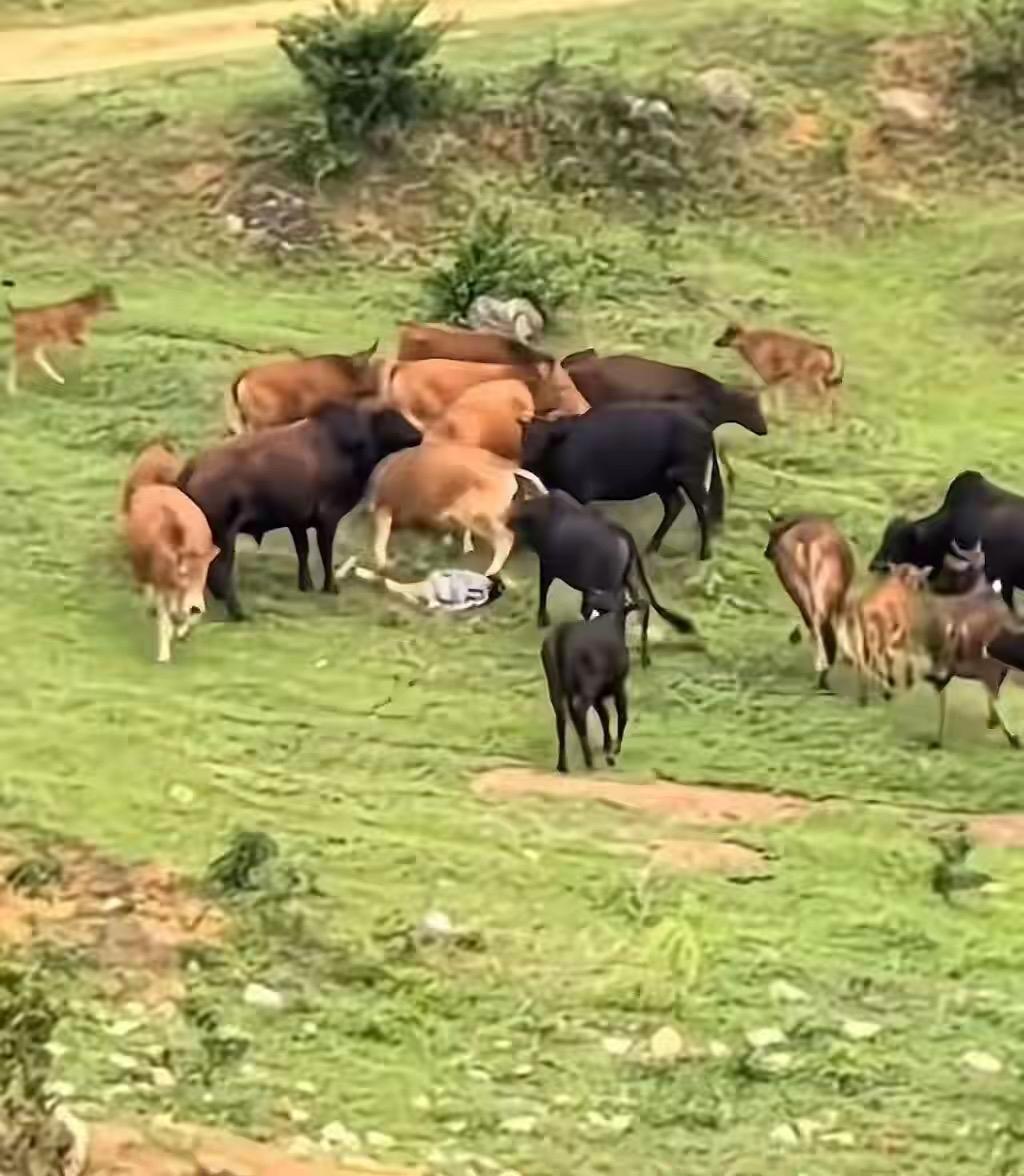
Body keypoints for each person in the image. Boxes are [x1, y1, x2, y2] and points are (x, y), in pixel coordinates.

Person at [335, 556, 505, 612]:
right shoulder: (482, 596)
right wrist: (441, 604)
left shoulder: (481, 582)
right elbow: (460, 604)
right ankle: (356, 570)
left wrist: (439, 574)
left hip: (437, 588)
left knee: (406, 596)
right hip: (436, 591)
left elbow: (459, 575)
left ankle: (361, 573)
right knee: (397, 589)